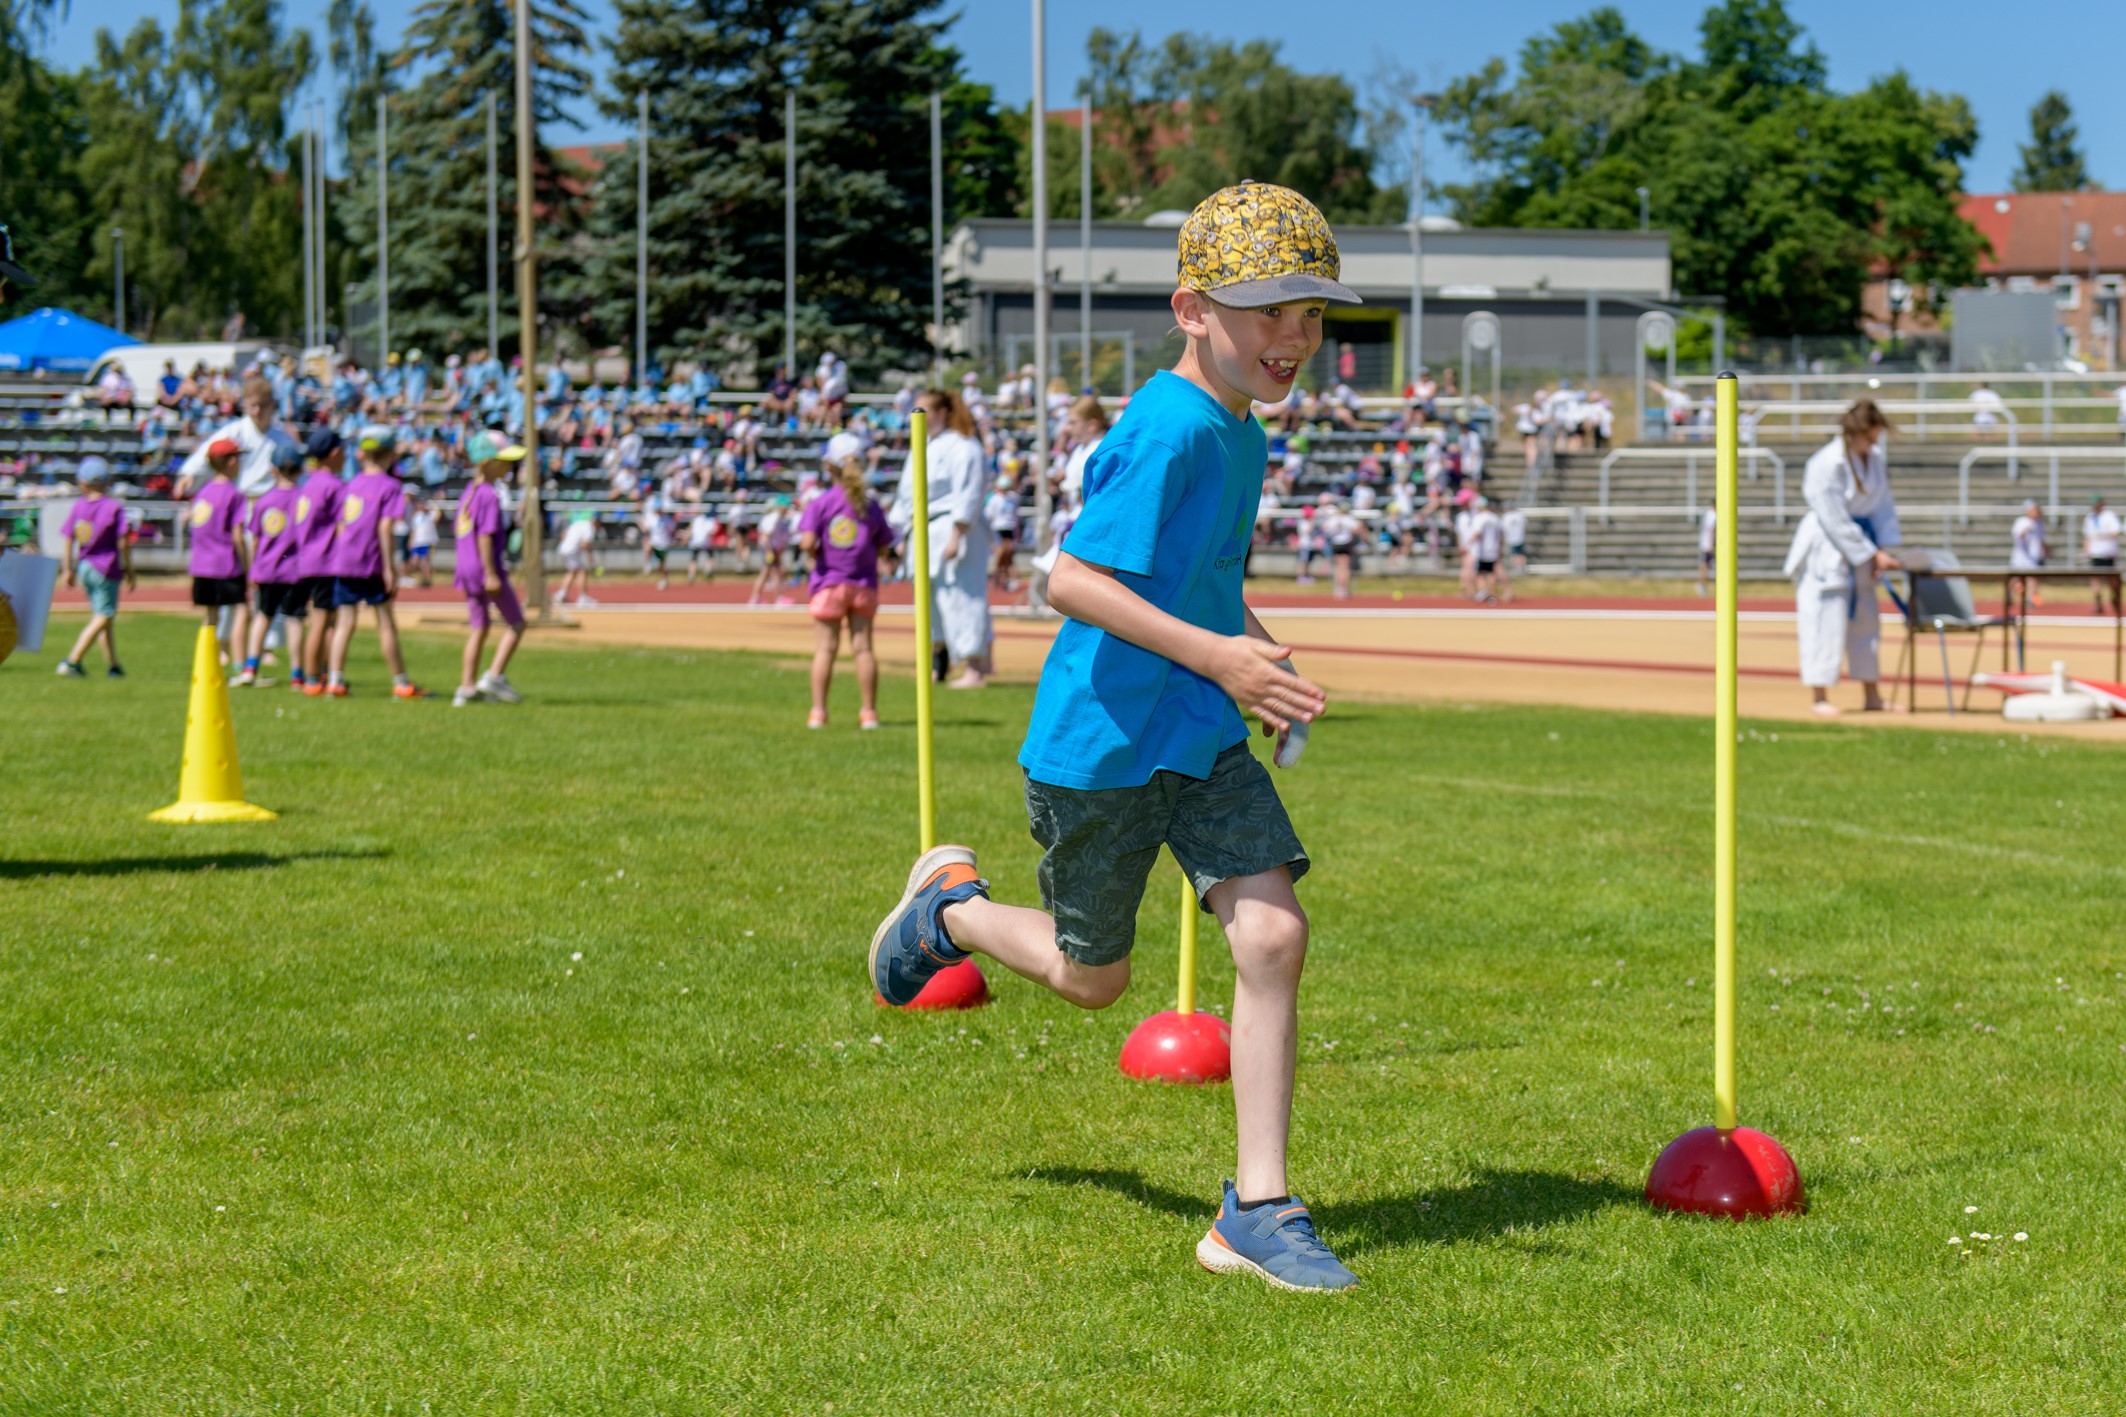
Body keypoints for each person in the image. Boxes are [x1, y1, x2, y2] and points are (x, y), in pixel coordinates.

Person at [867, 181, 1353, 1292]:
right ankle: (952, 910)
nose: (1294, 338)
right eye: (1268, 311)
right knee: (1094, 980)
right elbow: (1066, 578)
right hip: (1102, 745)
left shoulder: (1236, 430)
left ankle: (1256, 1208)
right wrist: (1220, 657)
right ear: (1192, 310)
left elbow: (1203, 584)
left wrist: (1259, 661)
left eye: (1310, 314)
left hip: (1198, 729)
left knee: (1272, 934)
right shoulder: (1171, 430)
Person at [1783, 399, 1902, 716]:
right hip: (1827, 550)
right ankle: (1819, 696)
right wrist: (1870, 552)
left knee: (1866, 622)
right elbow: (1832, 516)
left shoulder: (1874, 459)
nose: (1874, 443)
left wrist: (1884, 548)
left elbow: (1883, 506)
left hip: (1864, 548)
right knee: (1824, 622)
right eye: (1871, 436)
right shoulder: (1825, 463)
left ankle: (1872, 694)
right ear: (1856, 432)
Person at [893, 387, 992, 688]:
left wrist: (957, 533)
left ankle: (975, 667)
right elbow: (905, 494)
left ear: (941, 413)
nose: (917, 415)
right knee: (929, 599)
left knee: (961, 596)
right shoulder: (921, 447)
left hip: (952, 528)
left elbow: (970, 493)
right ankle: (939, 662)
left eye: (923, 409)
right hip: (921, 530)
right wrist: (899, 534)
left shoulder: (964, 446)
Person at [322, 427, 424, 699]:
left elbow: (342, 526)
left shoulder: (351, 484)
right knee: (385, 621)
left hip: (345, 561)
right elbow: (385, 527)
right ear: (390, 455)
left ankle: (335, 679)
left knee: (344, 622)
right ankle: (401, 682)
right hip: (371, 563)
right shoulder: (390, 487)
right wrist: (390, 567)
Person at [798, 453, 893, 729]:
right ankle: (869, 713)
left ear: (829, 467)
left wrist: (816, 552)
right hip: (862, 584)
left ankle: (818, 712)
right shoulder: (870, 506)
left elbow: (806, 542)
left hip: (829, 584)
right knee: (863, 649)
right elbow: (884, 544)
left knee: (825, 649)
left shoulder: (821, 503)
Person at [452, 431, 529, 708]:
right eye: (503, 461)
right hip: (486, 569)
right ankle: (494, 676)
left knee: (479, 626)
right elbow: (484, 536)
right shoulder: (488, 495)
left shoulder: (469, 493)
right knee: (516, 623)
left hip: (467, 569)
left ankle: (467, 686)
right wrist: (491, 572)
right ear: (486, 463)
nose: (508, 467)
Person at [56, 456, 133, 679]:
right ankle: (73, 660)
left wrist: (67, 568)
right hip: (105, 567)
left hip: (85, 566)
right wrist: (129, 569)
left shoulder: (79, 506)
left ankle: (113, 666)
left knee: (104, 618)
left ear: (82, 482)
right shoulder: (113, 507)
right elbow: (123, 540)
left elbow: (68, 538)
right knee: (103, 616)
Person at [239, 442, 308, 688]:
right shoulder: (304, 499)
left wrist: (253, 569)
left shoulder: (264, 501)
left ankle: (250, 668)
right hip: (296, 571)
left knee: (262, 617)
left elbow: (255, 539)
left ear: (273, 470)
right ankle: (297, 674)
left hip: (267, 569)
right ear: (300, 469)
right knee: (294, 620)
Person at [186, 437, 252, 671]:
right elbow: (237, 535)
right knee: (242, 610)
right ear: (230, 462)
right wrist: (247, 566)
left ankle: (206, 660)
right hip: (225, 564)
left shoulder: (202, 494)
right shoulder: (233, 495)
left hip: (201, 565)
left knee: (210, 617)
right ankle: (240, 664)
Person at [292, 430, 346, 694]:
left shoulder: (309, 483)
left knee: (322, 619)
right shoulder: (333, 486)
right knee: (323, 619)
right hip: (327, 561)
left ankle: (318, 672)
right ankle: (313, 677)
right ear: (335, 454)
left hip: (309, 560)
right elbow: (342, 526)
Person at [2083, 493, 2120, 616]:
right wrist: (2086, 551)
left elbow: (2116, 532)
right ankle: (2098, 604)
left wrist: (2102, 534)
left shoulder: (2109, 516)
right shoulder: (2090, 518)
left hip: (2108, 553)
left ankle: (2115, 600)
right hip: (2095, 554)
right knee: (2095, 580)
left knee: (2112, 581)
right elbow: (2087, 536)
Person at [2009, 499, 2047, 609]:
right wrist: (2024, 532)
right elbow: (2018, 535)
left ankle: (2029, 599)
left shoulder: (2039, 524)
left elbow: (2041, 539)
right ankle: (2010, 596)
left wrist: (2045, 549)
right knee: (2015, 579)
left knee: (2032, 579)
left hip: (2033, 557)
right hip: (2020, 558)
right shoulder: (2022, 521)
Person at [554, 512, 598, 606]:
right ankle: (582, 598)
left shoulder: (578, 523)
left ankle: (561, 595)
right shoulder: (590, 528)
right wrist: (591, 560)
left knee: (572, 572)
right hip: (571, 550)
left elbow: (564, 534)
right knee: (582, 571)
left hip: (563, 548)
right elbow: (585, 545)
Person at [985, 474, 1020, 592]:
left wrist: (1017, 531)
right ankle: (998, 575)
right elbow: (989, 516)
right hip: (998, 528)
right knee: (1002, 552)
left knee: (1008, 554)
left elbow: (1015, 516)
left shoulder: (1013, 498)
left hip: (1009, 528)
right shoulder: (995, 499)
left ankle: (1003, 576)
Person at [405, 495, 440, 588]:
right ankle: (423, 576)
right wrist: (411, 541)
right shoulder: (416, 516)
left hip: (427, 542)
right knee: (414, 562)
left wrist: (432, 504)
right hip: (417, 542)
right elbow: (414, 530)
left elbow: (438, 515)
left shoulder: (430, 515)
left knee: (426, 561)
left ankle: (427, 579)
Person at [685, 507, 718, 583]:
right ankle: (708, 571)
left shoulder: (697, 519)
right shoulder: (711, 521)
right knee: (710, 557)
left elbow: (691, 531)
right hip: (706, 543)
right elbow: (711, 532)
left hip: (695, 542)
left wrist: (686, 538)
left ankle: (691, 574)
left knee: (694, 559)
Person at [1697, 500, 1718, 598]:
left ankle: (1702, 585)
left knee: (1705, 565)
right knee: (1706, 565)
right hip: (1708, 544)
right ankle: (1702, 585)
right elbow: (1711, 531)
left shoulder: (1709, 513)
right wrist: (1710, 545)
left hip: (1706, 543)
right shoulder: (1713, 514)